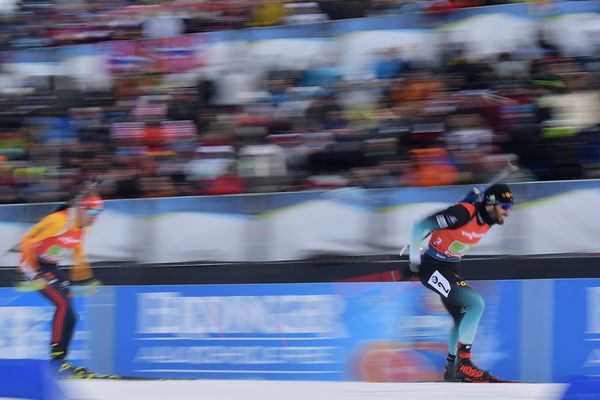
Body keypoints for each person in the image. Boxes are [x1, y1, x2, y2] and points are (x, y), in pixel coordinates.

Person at [408, 183, 514, 382]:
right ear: (491, 204)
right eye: (505, 207)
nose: (508, 213)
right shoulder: (463, 213)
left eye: (510, 208)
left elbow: (474, 212)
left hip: (450, 268)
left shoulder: (488, 217)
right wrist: (414, 260)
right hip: (432, 268)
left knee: (462, 317)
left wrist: (470, 198)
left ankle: (451, 370)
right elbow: (420, 226)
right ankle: (464, 364)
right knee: (475, 304)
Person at [18, 193, 104, 379]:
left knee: (72, 315)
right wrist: (32, 272)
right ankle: (55, 361)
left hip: (51, 266)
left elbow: (78, 252)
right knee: (63, 305)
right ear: (80, 208)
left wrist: (84, 278)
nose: (94, 216)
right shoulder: (58, 220)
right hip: (33, 264)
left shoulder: (83, 228)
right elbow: (26, 240)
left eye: (98, 212)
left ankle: (61, 362)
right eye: (91, 210)